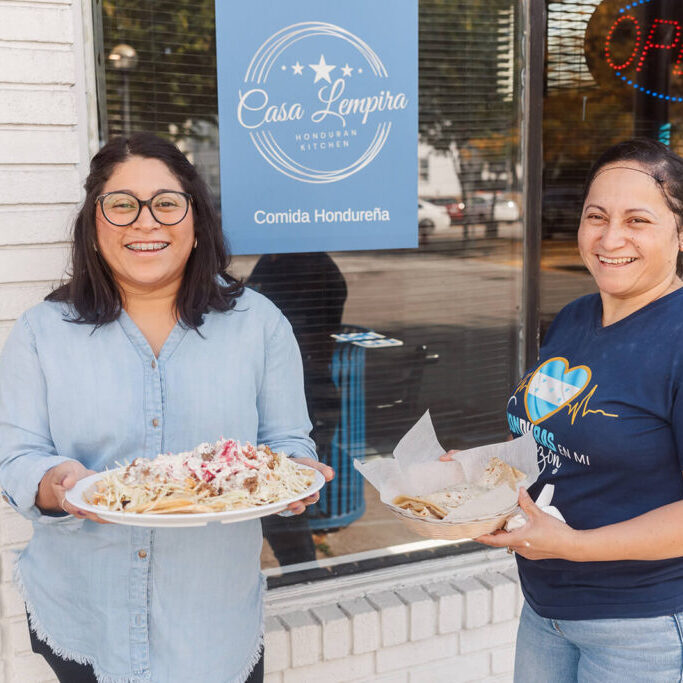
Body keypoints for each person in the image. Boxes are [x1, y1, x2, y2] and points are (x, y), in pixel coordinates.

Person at [0, 132, 333, 683]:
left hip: (212, 621)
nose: (145, 222)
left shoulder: (260, 324)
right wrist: (55, 482)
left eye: (166, 203)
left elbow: (288, 441)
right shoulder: (42, 331)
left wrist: (290, 475)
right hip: (84, 614)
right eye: (122, 205)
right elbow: (15, 457)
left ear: (195, 220)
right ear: (94, 225)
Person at [445, 138, 683, 681]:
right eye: (595, 216)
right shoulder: (575, 318)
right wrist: (478, 470)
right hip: (546, 609)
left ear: (680, 233)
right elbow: (553, 438)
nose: (610, 237)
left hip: (642, 628)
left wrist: (572, 546)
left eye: (637, 220)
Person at [249, 253, 347, 565]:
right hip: (302, 388)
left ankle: (304, 574)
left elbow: (319, 334)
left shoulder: (313, 269)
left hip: (309, 392)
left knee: (287, 506)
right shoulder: (272, 263)